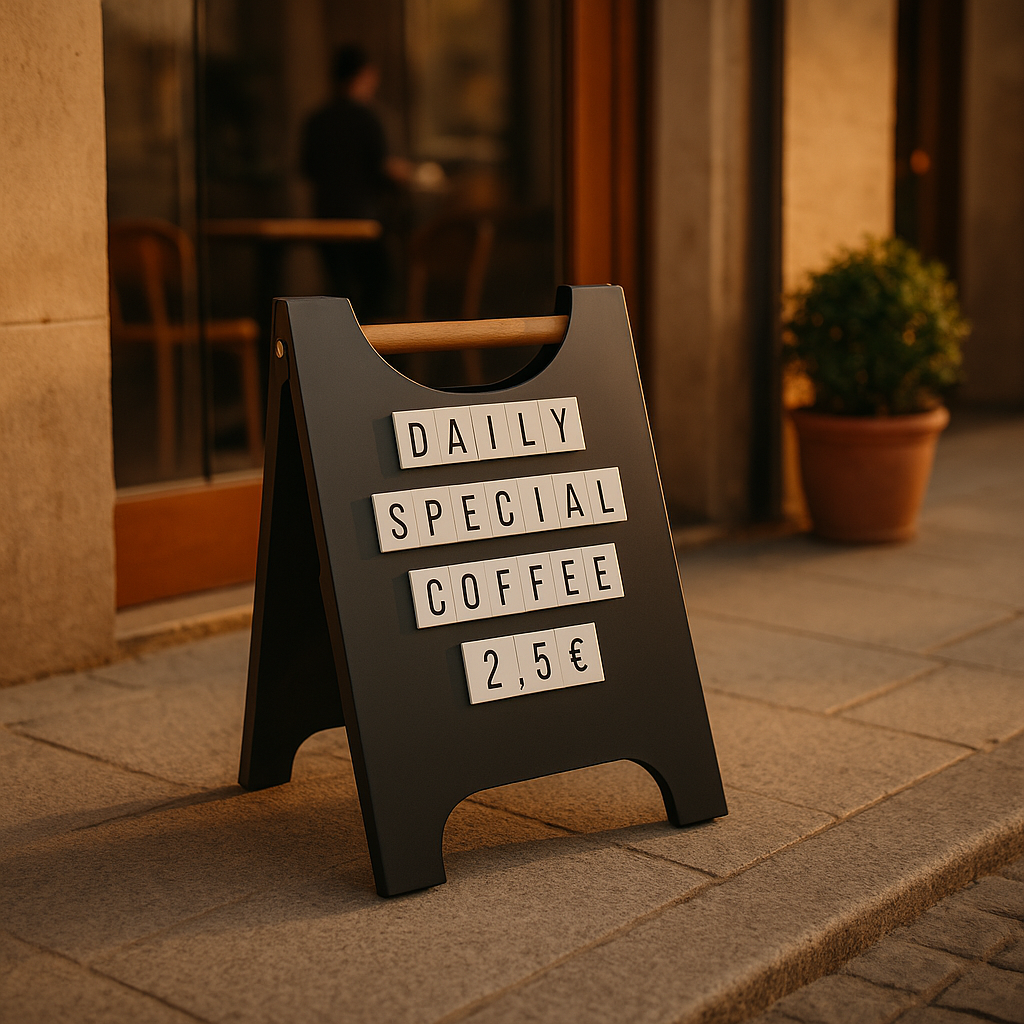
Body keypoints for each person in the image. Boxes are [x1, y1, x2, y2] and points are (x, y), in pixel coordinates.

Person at [301, 45, 408, 321]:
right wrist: (403, 174)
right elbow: (380, 169)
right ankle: (372, 346)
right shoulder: (368, 118)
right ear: (365, 75)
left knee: (341, 295)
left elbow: (307, 169)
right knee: (378, 294)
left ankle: (340, 345)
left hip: (326, 219)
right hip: (364, 221)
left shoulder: (317, 119)